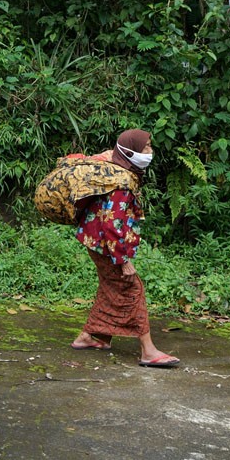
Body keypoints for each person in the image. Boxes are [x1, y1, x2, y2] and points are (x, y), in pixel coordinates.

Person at [69, 129, 180, 368]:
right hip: (106, 246)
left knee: (111, 288)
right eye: (147, 147)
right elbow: (112, 225)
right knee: (132, 289)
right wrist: (123, 260)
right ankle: (148, 351)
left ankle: (89, 337)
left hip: (95, 242)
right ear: (131, 152)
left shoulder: (119, 171)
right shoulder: (121, 183)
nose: (150, 152)